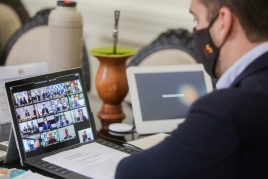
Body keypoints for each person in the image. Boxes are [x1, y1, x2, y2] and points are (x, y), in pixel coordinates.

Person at [115, 0, 268, 178]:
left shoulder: (227, 110)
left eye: (196, 19)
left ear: (222, 22)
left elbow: (131, 173)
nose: (196, 30)